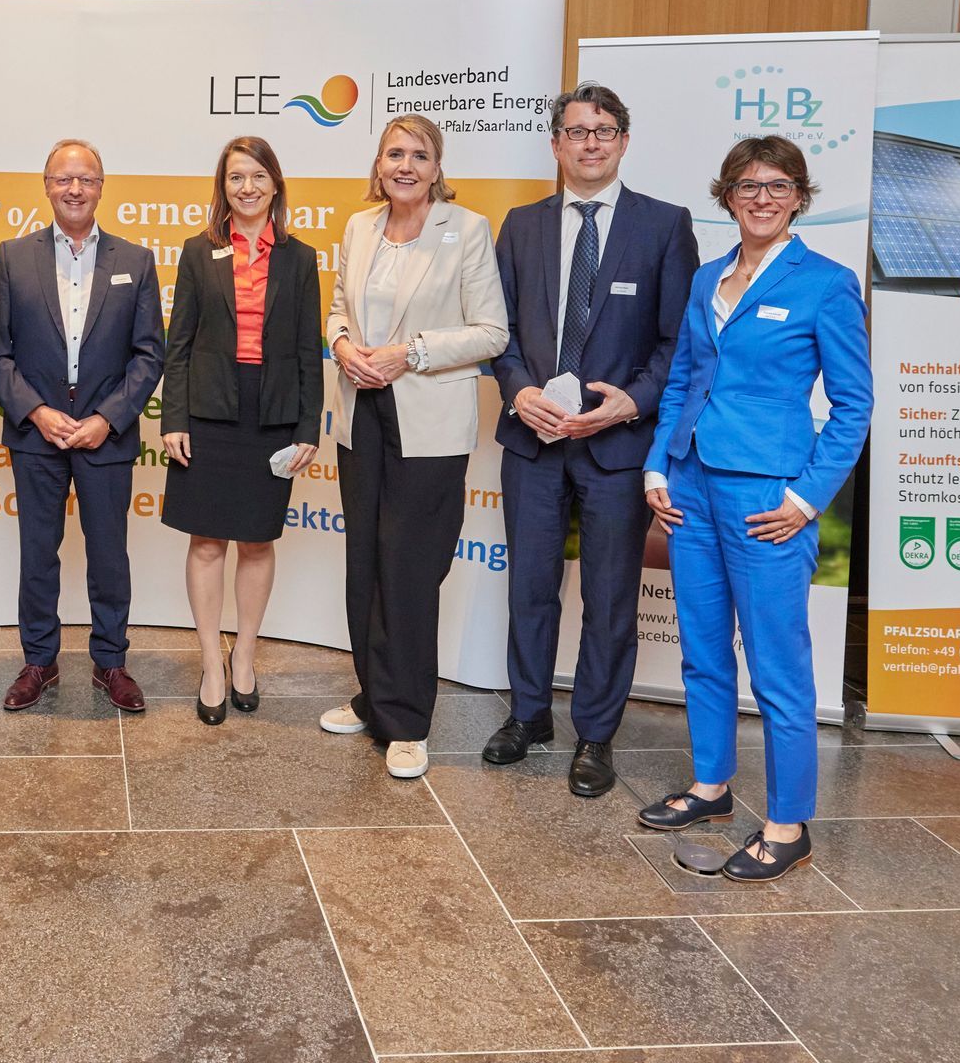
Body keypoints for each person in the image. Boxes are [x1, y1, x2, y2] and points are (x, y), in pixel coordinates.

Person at [636, 136, 872, 881]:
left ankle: (788, 824)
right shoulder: (707, 277)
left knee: (777, 667)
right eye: (747, 185)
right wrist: (657, 464)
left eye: (777, 186)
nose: (762, 198)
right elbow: (682, 382)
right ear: (728, 195)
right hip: (691, 487)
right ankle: (711, 787)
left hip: (768, 497)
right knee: (703, 651)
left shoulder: (826, 283)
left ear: (799, 196)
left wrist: (805, 498)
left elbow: (853, 406)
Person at [484, 84, 700, 796]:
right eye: (577, 131)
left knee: (609, 599)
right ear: (556, 145)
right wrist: (519, 391)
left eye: (604, 130)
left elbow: (679, 342)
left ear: (624, 142)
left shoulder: (664, 225)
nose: (591, 143)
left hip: (616, 447)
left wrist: (629, 404)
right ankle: (528, 715)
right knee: (530, 588)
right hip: (534, 440)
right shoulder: (521, 225)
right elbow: (499, 330)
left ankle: (596, 734)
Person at [323, 115, 508, 778]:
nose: (405, 165)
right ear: (378, 165)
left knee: (408, 567)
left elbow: (492, 332)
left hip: (427, 419)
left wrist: (411, 353)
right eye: (394, 153)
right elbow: (338, 309)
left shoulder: (468, 230)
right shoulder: (359, 226)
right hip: (361, 411)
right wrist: (344, 345)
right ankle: (373, 698)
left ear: (437, 168)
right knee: (365, 562)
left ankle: (406, 721)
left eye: (419, 155)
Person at [0, 140, 165, 712]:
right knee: (38, 552)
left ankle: (111, 662)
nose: (75, 189)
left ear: (102, 187)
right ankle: (39, 661)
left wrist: (107, 418)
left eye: (86, 179)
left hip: (105, 435)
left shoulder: (135, 260)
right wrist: (37, 411)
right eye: (63, 179)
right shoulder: (13, 257)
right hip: (37, 433)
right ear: (46, 186)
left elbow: (149, 355)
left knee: (109, 554)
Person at [160, 136, 322, 727]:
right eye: (235, 178)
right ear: (222, 187)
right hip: (208, 412)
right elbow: (179, 345)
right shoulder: (198, 251)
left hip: (272, 414)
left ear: (275, 183)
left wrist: (308, 425)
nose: (247, 187)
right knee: (206, 542)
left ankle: (245, 654)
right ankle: (211, 662)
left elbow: (308, 350)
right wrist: (173, 418)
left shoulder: (300, 259)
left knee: (256, 541)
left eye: (257, 176)